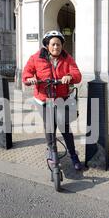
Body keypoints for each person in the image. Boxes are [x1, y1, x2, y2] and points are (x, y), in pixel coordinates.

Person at [22, 30, 83, 170]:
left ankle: (73, 155)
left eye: (59, 44)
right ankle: (52, 152)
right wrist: (30, 79)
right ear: (47, 45)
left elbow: (77, 74)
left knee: (64, 127)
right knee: (50, 126)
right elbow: (26, 73)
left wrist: (69, 76)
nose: (56, 47)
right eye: (53, 44)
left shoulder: (67, 58)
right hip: (43, 99)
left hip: (61, 98)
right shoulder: (36, 58)